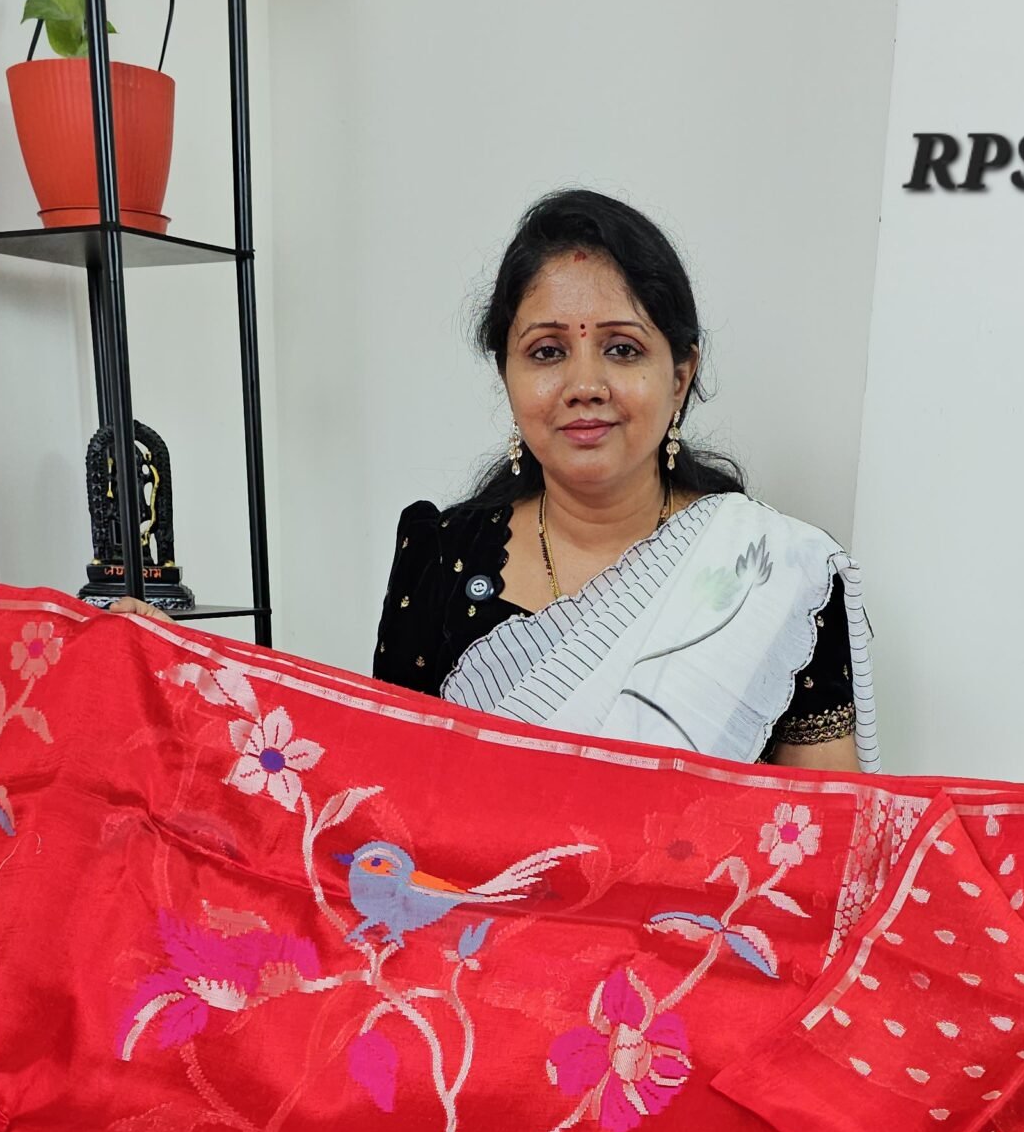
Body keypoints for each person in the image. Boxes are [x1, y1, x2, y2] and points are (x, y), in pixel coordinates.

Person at [111, 188, 877, 772]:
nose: (584, 385)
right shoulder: (441, 557)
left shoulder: (775, 576)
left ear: (680, 374)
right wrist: (173, 679)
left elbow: (823, 847)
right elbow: (384, 793)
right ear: (506, 373)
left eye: (621, 349)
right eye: (547, 352)